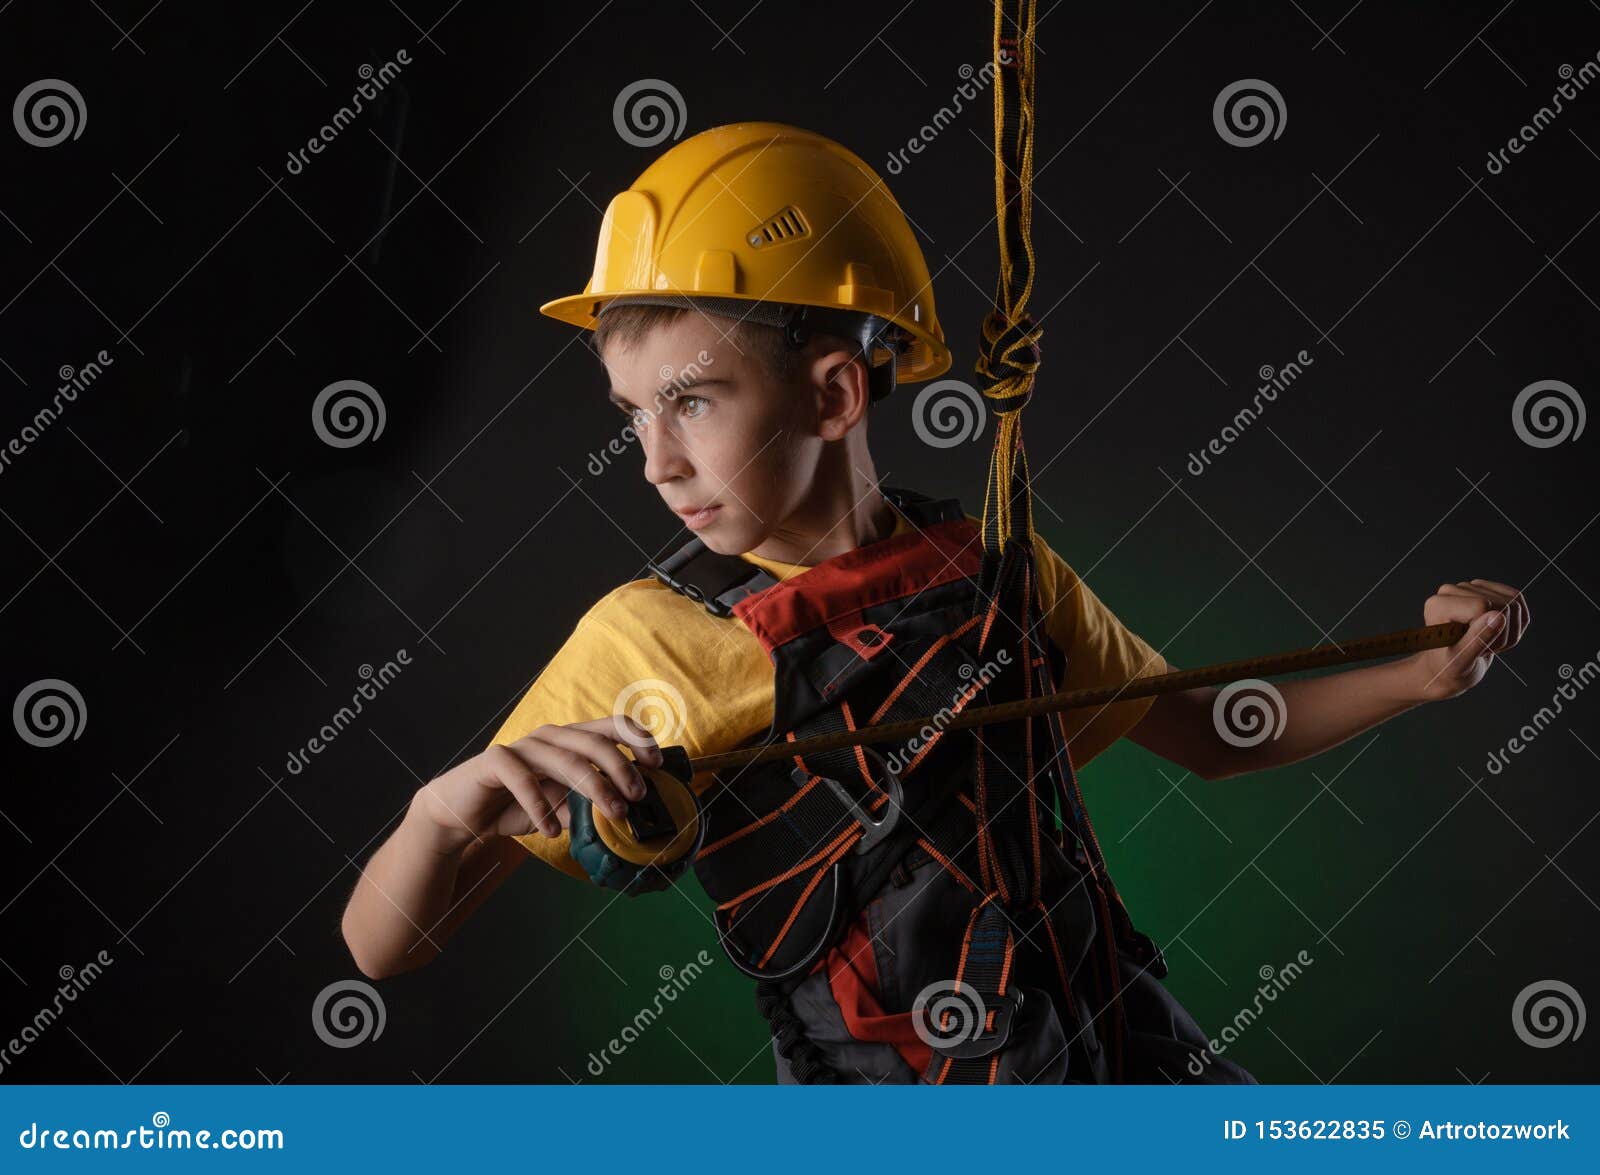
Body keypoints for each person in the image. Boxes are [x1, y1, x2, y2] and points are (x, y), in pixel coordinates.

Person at [340, 122, 1529, 1083]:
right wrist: (439, 815)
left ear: (836, 392)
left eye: (692, 401)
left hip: (1129, 1067)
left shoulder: (1000, 572)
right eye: (631, 413)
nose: (654, 459)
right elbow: (381, 945)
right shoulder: (649, 640)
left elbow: (1211, 731)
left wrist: (1424, 675)